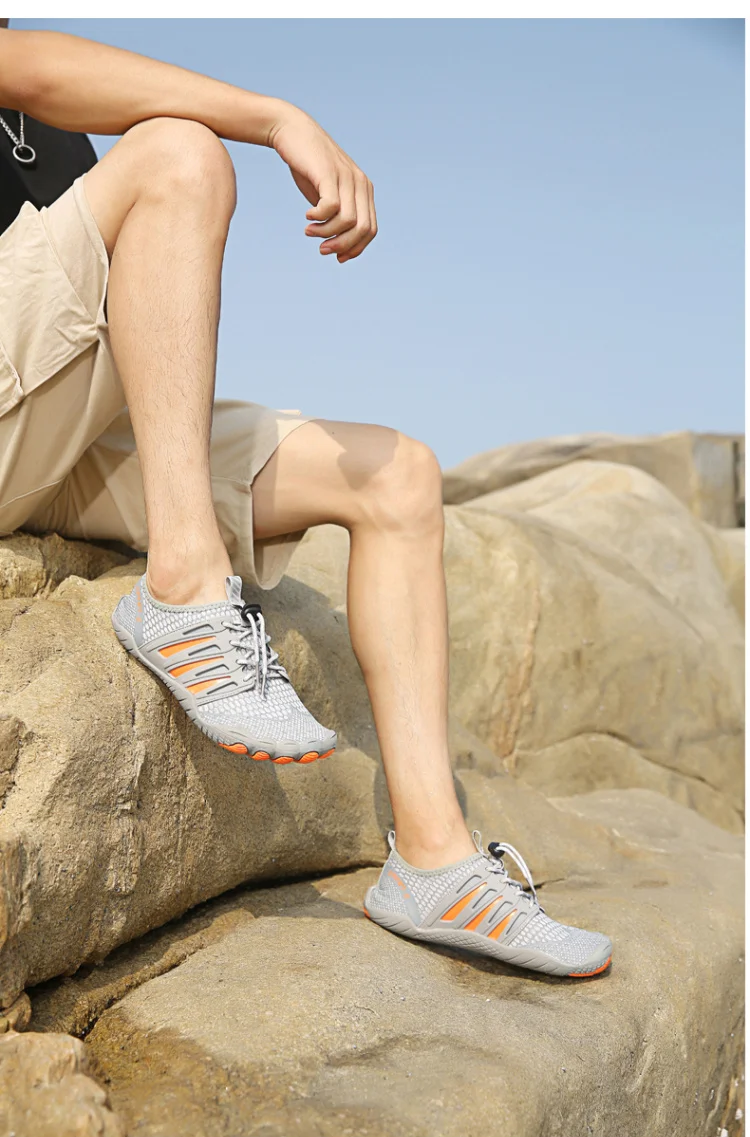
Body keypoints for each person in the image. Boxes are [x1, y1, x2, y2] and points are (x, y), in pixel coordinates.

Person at [0, 23, 612, 978]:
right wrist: (280, 117)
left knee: (399, 475)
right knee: (178, 154)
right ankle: (184, 588)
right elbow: (29, 67)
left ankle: (434, 863)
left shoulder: (50, 127)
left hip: (50, 430)